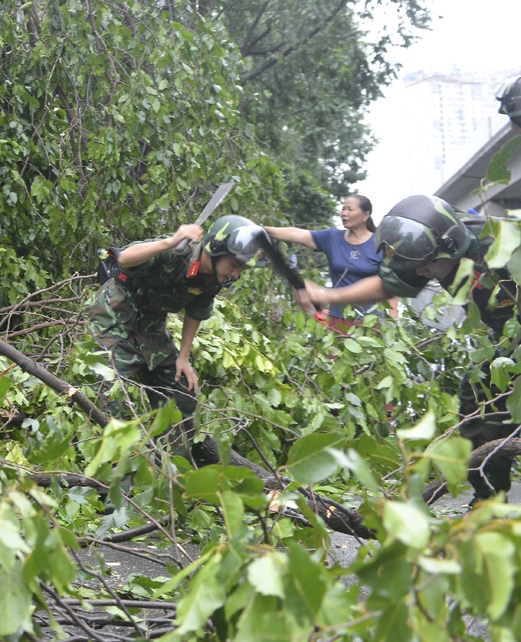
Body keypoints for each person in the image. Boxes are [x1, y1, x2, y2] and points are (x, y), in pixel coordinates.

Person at [303, 194, 519, 501]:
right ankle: (489, 500)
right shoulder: (428, 243)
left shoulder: (503, 245)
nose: (419, 274)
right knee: (476, 405)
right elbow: (388, 284)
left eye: (423, 267)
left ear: (450, 246)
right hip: (507, 338)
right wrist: (328, 296)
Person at [85, 215, 269, 459]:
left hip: (151, 324)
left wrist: (183, 357)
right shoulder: (176, 251)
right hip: (112, 315)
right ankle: (112, 482)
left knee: (183, 394)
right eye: (234, 265)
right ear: (215, 249)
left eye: (241, 269)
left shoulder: (214, 279)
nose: (236, 274)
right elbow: (125, 258)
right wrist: (171, 241)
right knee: (109, 395)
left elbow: (196, 312)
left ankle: (168, 475)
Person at [265, 195, 398, 331]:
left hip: (370, 320)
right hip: (338, 319)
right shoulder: (332, 238)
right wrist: (262, 230)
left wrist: (393, 319)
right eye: (343, 209)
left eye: (350, 209)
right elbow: (297, 234)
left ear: (366, 215)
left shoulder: (380, 244)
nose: (344, 213)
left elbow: (392, 284)